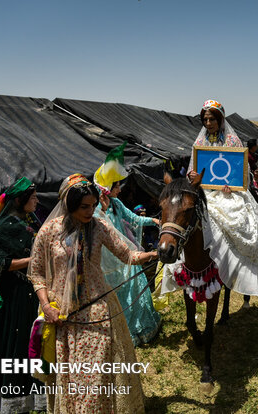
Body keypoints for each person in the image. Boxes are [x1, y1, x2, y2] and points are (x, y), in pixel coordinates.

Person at [28, 174, 156, 413]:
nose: (90, 211)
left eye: (94, 206)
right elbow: (37, 274)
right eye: (84, 206)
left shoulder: (99, 227)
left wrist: (154, 255)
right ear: (69, 204)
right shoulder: (48, 232)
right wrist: (46, 306)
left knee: (96, 377)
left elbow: (127, 255)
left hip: (97, 310)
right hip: (62, 316)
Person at [185, 100, 258, 303]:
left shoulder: (232, 141)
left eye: (212, 119)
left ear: (220, 119)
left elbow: (241, 172)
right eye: (205, 119)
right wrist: (192, 175)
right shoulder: (198, 144)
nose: (208, 123)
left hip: (228, 193)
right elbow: (190, 171)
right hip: (206, 192)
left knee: (244, 222)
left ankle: (238, 268)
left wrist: (231, 185)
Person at [0, 177, 46, 413]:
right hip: (14, 296)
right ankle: (13, 399)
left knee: (32, 344)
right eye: (33, 197)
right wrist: (33, 260)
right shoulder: (5, 226)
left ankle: (35, 396)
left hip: (29, 292)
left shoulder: (29, 220)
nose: (37, 201)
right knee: (17, 344)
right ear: (20, 200)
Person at [94, 144, 161, 347]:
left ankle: (141, 329)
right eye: (116, 186)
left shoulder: (117, 204)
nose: (120, 189)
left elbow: (133, 219)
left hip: (125, 254)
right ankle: (125, 334)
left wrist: (154, 221)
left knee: (137, 289)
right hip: (110, 263)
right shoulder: (96, 209)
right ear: (107, 189)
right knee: (120, 297)